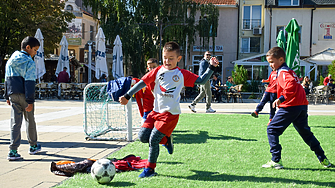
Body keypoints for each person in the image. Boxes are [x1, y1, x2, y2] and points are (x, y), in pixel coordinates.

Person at [119, 42, 219, 178]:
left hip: (170, 115)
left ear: (179, 58)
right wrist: (127, 95)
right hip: (155, 112)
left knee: (153, 140)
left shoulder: (182, 74)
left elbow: (201, 80)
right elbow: (143, 81)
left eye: (171, 58)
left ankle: (150, 170)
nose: (167, 61)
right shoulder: (158, 70)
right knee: (143, 137)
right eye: (165, 57)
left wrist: (212, 67)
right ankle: (166, 140)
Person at [262, 47, 331, 169]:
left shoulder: (283, 72)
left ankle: (276, 160)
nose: (271, 65)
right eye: (269, 63)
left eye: (272, 62)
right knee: (306, 134)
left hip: (291, 105)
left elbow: (292, 86)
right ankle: (323, 159)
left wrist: (281, 98)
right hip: (301, 106)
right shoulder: (289, 71)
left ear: (281, 59)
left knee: (272, 129)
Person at [4, 36, 42, 161]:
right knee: (30, 120)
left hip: (13, 94)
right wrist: (30, 101)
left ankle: (13, 150)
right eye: (35, 50)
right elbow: (30, 82)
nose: (35, 53)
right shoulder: (29, 62)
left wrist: (6, 95)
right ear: (28, 47)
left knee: (15, 122)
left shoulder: (10, 60)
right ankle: (33, 146)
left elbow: (6, 78)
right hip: (25, 95)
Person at [133, 58, 158, 124]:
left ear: (158, 67)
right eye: (150, 67)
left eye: (154, 67)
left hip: (154, 105)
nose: (152, 69)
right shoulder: (148, 78)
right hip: (149, 105)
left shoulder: (158, 77)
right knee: (146, 120)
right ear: (147, 68)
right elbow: (153, 92)